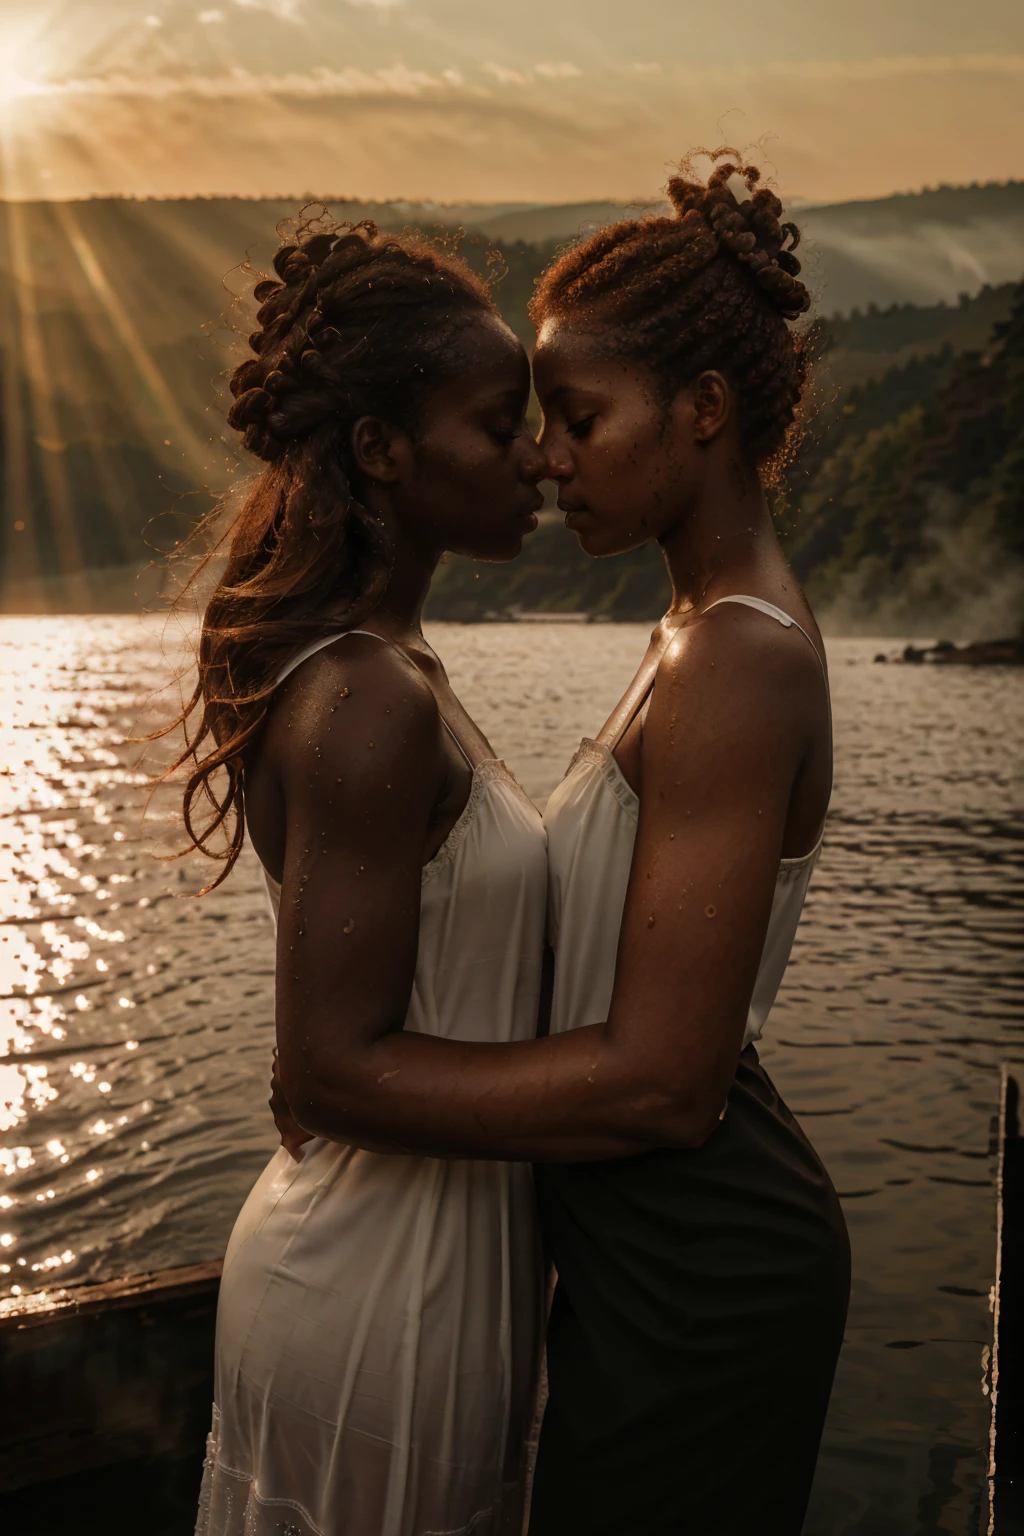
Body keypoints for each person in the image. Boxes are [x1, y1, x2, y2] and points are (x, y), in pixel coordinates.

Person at [263, 152, 850, 1535]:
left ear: (703, 412)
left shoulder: (737, 660)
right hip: (634, 1245)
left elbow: (659, 1086)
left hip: (705, 1266)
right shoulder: (692, 633)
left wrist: (356, 1081)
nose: (550, 454)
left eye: (582, 418)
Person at [179, 218, 550, 1536]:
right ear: (383, 451)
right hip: (383, 1284)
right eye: (501, 425)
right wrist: (635, 1088)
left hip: (438, 1265)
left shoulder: (393, 674)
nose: (537, 457)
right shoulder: (367, 695)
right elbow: (328, 1067)